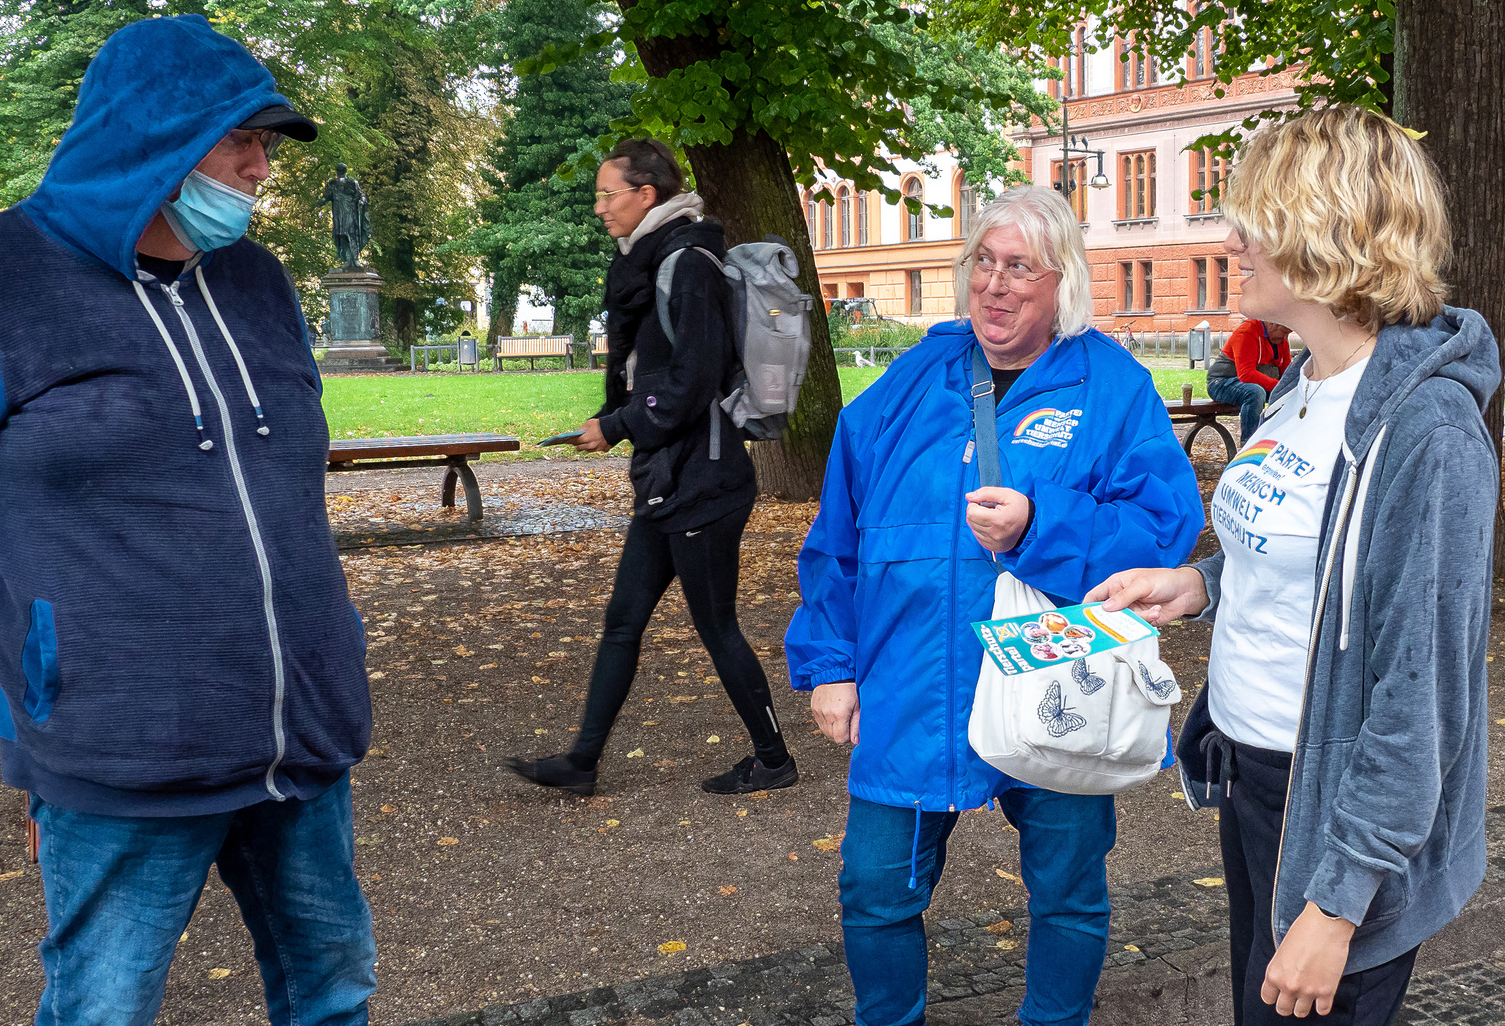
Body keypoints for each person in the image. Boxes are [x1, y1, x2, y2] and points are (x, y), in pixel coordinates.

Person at [0, 16, 376, 1025]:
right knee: (101, 1009)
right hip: (120, 754)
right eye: (241, 140)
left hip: (300, 735)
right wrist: (49, 669)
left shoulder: (257, 281)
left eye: (269, 145)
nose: (261, 166)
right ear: (151, 133)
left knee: (333, 990)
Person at [1088, 107, 1497, 1026]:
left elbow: (1417, 696)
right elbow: (1304, 560)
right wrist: (1199, 584)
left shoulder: (1428, 434)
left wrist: (1336, 904)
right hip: (1256, 778)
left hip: (1336, 817)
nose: (1231, 238)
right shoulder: (1295, 388)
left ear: (1326, 232)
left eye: (1254, 218)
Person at [787, 186, 1204, 1026]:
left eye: (1020, 267)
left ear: (1061, 284)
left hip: (1056, 674)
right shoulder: (908, 384)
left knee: (1068, 889)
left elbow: (1164, 529)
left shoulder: (1112, 388)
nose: (996, 283)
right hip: (913, 679)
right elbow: (838, 533)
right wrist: (831, 666)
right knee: (873, 889)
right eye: (984, 261)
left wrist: (1042, 523)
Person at [505, 139, 795, 797]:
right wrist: (621, 424)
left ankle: (774, 758)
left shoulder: (688, 263)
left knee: (716, 625)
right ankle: (582, 762)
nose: (601, 207)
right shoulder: (651, 262)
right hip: (668, 479)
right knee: (623, 620)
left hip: (706, 481)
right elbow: (657, 374)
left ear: (648, 194)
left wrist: (614, 425)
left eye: (610, 194)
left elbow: (691, 381)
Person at [1208, 317, 1293, 442]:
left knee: (1290, 395)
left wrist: (1289, 389)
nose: (1286, 337)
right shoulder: (1246, 332)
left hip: (1250, 383)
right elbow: (1246, 374)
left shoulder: (1281, 341)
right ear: (1272, 324)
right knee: (1255, 392)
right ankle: (1249, 442)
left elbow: (1287, 373)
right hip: (1220, 382)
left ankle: (1282, 441)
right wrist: (1279, 386)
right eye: (1284, 332)